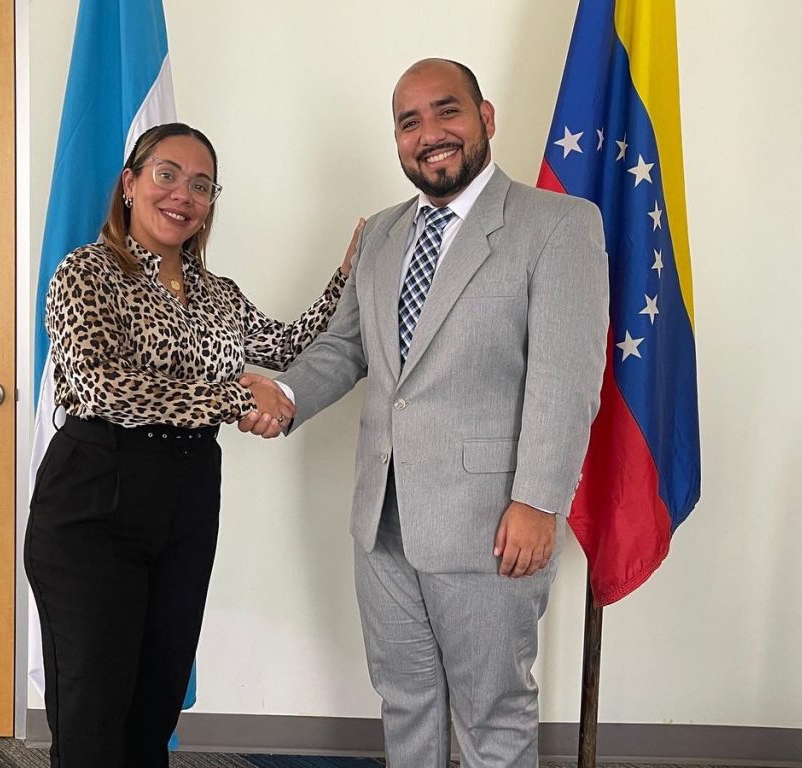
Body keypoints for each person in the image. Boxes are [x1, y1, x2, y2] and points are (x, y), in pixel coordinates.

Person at [240, 59, 609, 767]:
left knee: (492, 715)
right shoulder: (381, 233)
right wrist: (285, 397)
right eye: (409, 122)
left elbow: (566, 379)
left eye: (447, 111)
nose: (429, 133)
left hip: (492, 522)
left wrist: (539, 501)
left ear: (485, 117)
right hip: (380, 521)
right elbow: (347, 346)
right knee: (405, 702)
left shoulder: (557, 225)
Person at [25, 122, 358, 768]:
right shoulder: (88, 272)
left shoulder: (216, 294)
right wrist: (233, 398)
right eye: (167, 175)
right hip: (96, 498)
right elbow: (101, 386)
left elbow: (288, 346)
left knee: (155, 705)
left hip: (187, 500)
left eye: (202, 185)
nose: (183, 194)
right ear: (130, 184)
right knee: (94, 713)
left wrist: (347, 276)